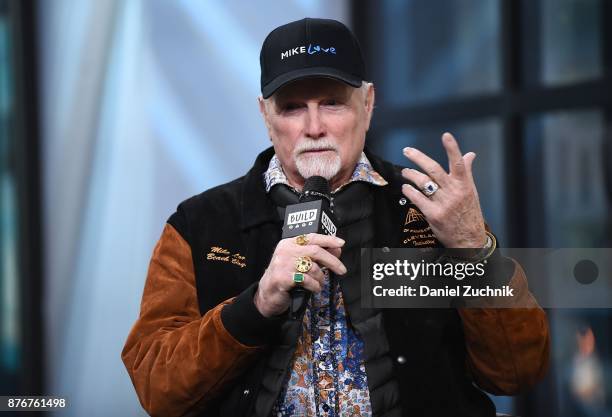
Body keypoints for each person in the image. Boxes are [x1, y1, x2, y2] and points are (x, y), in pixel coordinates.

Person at [121, 18, 550, 417]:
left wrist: (472, 249)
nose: (313, 127)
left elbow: (516, 371)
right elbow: (157, 387)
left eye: (332, 103)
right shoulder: (201, 224)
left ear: (368, 103)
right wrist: (256, 306)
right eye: (292, 107)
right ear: (266, 117)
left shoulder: (429, 209)